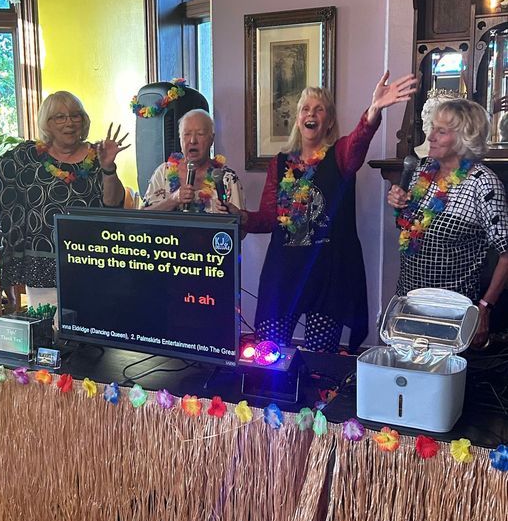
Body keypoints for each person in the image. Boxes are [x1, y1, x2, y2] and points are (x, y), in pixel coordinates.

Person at [222, 71, 417, 353]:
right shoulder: (280, 163)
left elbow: (359, 140)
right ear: (298, 120)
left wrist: (374, 109)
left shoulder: (340, 155)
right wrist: (243, 217)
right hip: (284, 274)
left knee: (319, 357)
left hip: (328, 276)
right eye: (305, 109)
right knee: (268, 352)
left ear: (328, 122)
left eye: (319, 109)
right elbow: (268, 218)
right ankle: (272, 398)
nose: (310, 114)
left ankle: (315, 398)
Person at [0, 79, 129, 308]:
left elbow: (113, 204)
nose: (70, 122)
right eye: (60, 117)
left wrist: (108, 168)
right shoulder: (28, 156)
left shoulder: (98, 155)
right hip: (42, 266)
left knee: (91, 331)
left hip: (91, 263)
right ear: (47, 123)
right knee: (48, 333)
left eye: (76, 116)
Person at [387, 98, 508, 349]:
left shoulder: (482, 184)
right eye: (432, 128)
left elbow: (506, 253)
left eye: (441, 131)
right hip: (408, 301)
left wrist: (484, 307)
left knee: (440, 386)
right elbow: (409, 232)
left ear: (465, 137)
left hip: (451, 313)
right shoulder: (423, 172)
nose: (430, 136)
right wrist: (399, 204)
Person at [141, 109, 245, 212]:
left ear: (211, 139)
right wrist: (173, 199)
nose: (193, 141)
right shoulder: (163, 172)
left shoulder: (227, 178)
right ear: (180, 139)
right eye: (187, 134)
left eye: (200, 134)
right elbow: (143, 218)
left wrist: (233, 215)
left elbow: (242, 223)